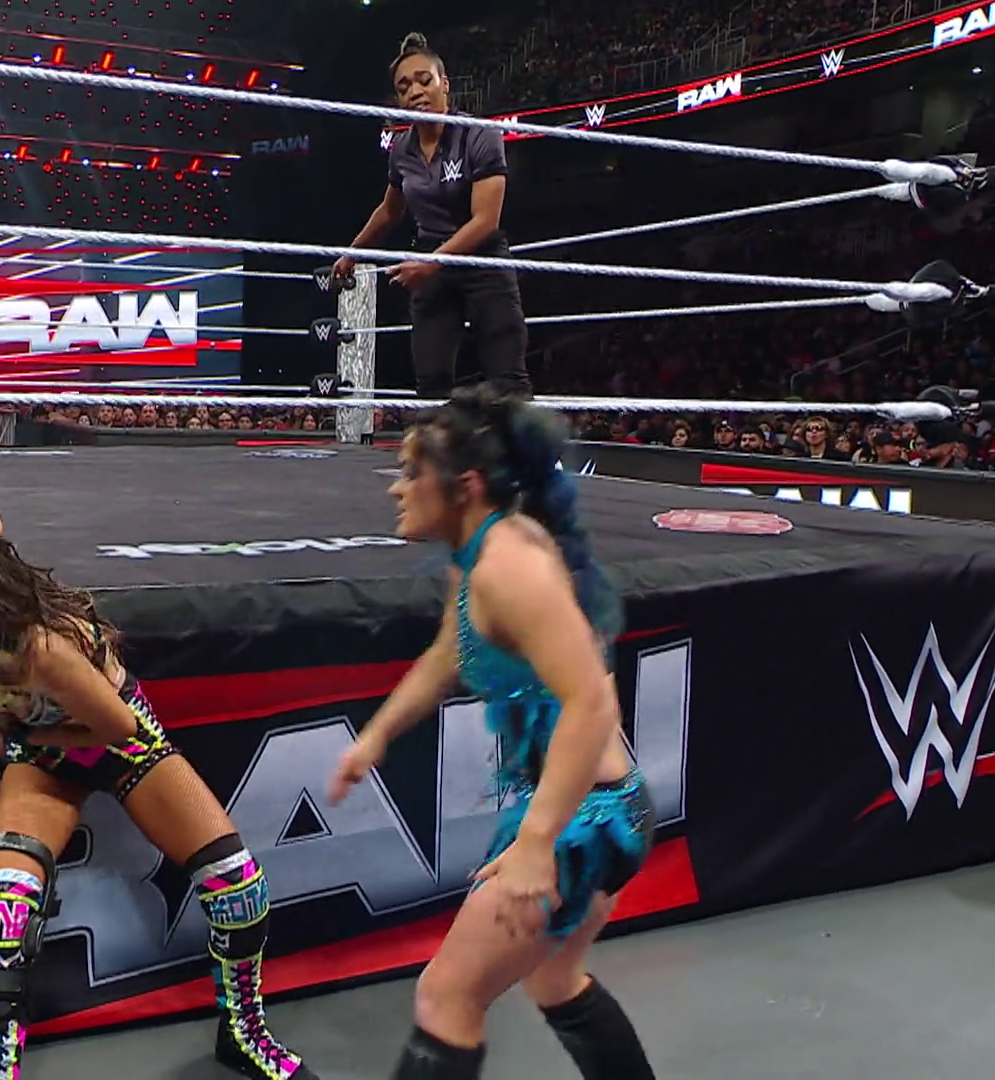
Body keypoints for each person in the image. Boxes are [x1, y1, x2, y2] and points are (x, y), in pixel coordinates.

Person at [0, 514, 316, 1080]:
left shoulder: (39, 650)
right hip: (46, 755)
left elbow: (119, 728)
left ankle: (244, 1032)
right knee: (4, 913)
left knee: (238, 886)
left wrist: (33, 739)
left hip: (117, 742)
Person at [327, 385, 656, 1080]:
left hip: (586, 821)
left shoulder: (511, 568)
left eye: (412, 472)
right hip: (589, 806)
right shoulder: (480, 553)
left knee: (446, 997)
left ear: (466, 485)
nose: (396, 488)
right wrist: (377, 735)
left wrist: (536, 842)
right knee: (554, 980)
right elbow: (449, 652)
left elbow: (592, 704)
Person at [332, 32, 532, 402]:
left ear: (445, 84)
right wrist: (352, 253)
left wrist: (430, 263)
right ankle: (437, 442)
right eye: (404, 87)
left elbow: (485, 220)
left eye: (424, 81)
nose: (415, 92)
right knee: (431, 382)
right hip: (430, 257)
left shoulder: (479, 135)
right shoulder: (402, 150)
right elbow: (390, 210)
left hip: (482, 259)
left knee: (509, 380)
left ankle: (523, 442)